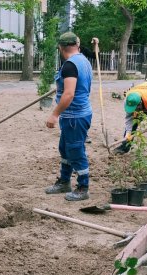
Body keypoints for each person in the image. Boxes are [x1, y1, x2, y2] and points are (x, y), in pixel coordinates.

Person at [44, 32, 93, 201]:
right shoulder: (83, 60)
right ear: (77, 45)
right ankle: (64, 181)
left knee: (75, 151)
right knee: (65, 149)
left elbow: (69, 94)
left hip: (75, 116)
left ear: (61, 48)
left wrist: (54, 114)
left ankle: (83, 187)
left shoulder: (70, 65)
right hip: (76, 115)